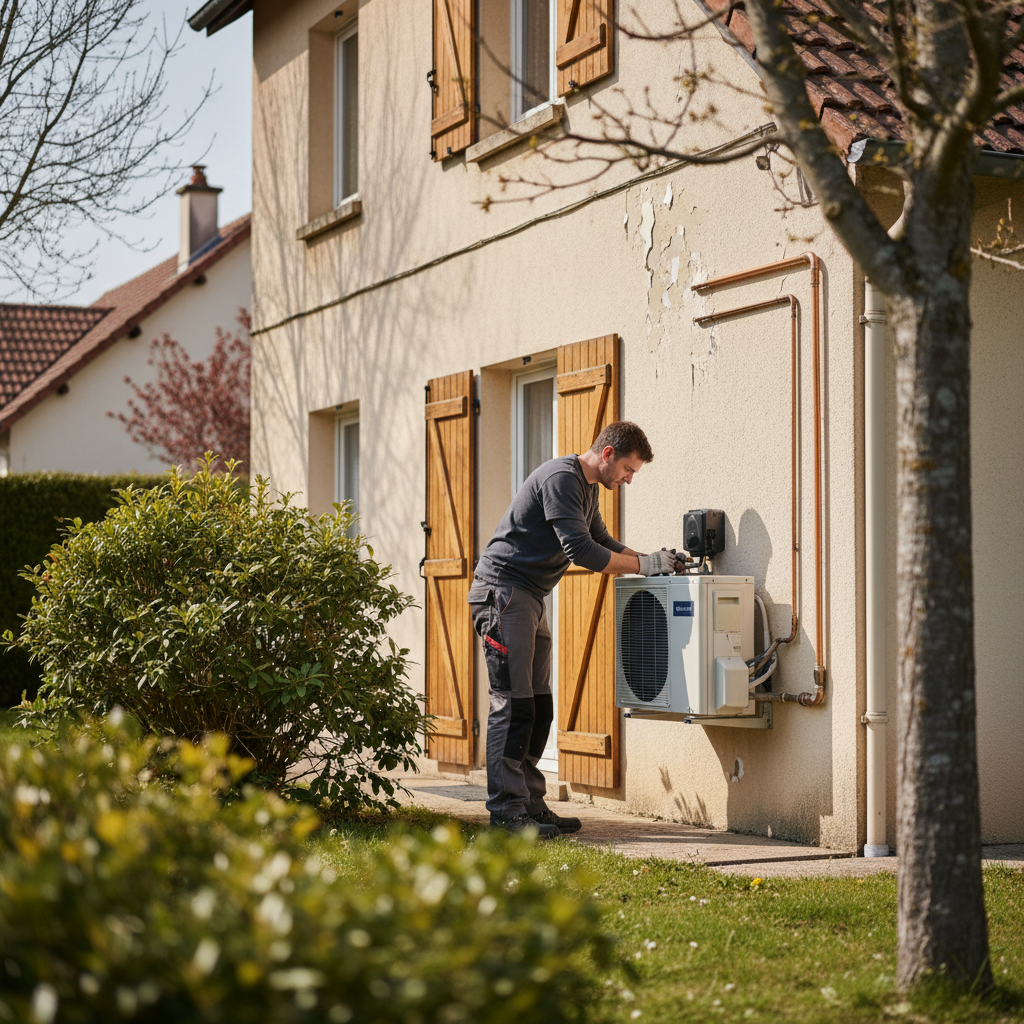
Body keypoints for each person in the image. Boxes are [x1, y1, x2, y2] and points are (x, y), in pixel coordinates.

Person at [468, 420, 683, 838]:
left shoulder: (584, 489)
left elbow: (601, 537)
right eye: (628, 469)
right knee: (512, 707)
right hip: (503, 594)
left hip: (529, 596)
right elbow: (583, 551)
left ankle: (530, 804)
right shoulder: (561, 478)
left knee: (539, 707)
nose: (628, 479)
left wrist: (654, 559)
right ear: (607, 454)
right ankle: (506, 815)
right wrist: (646, 565)